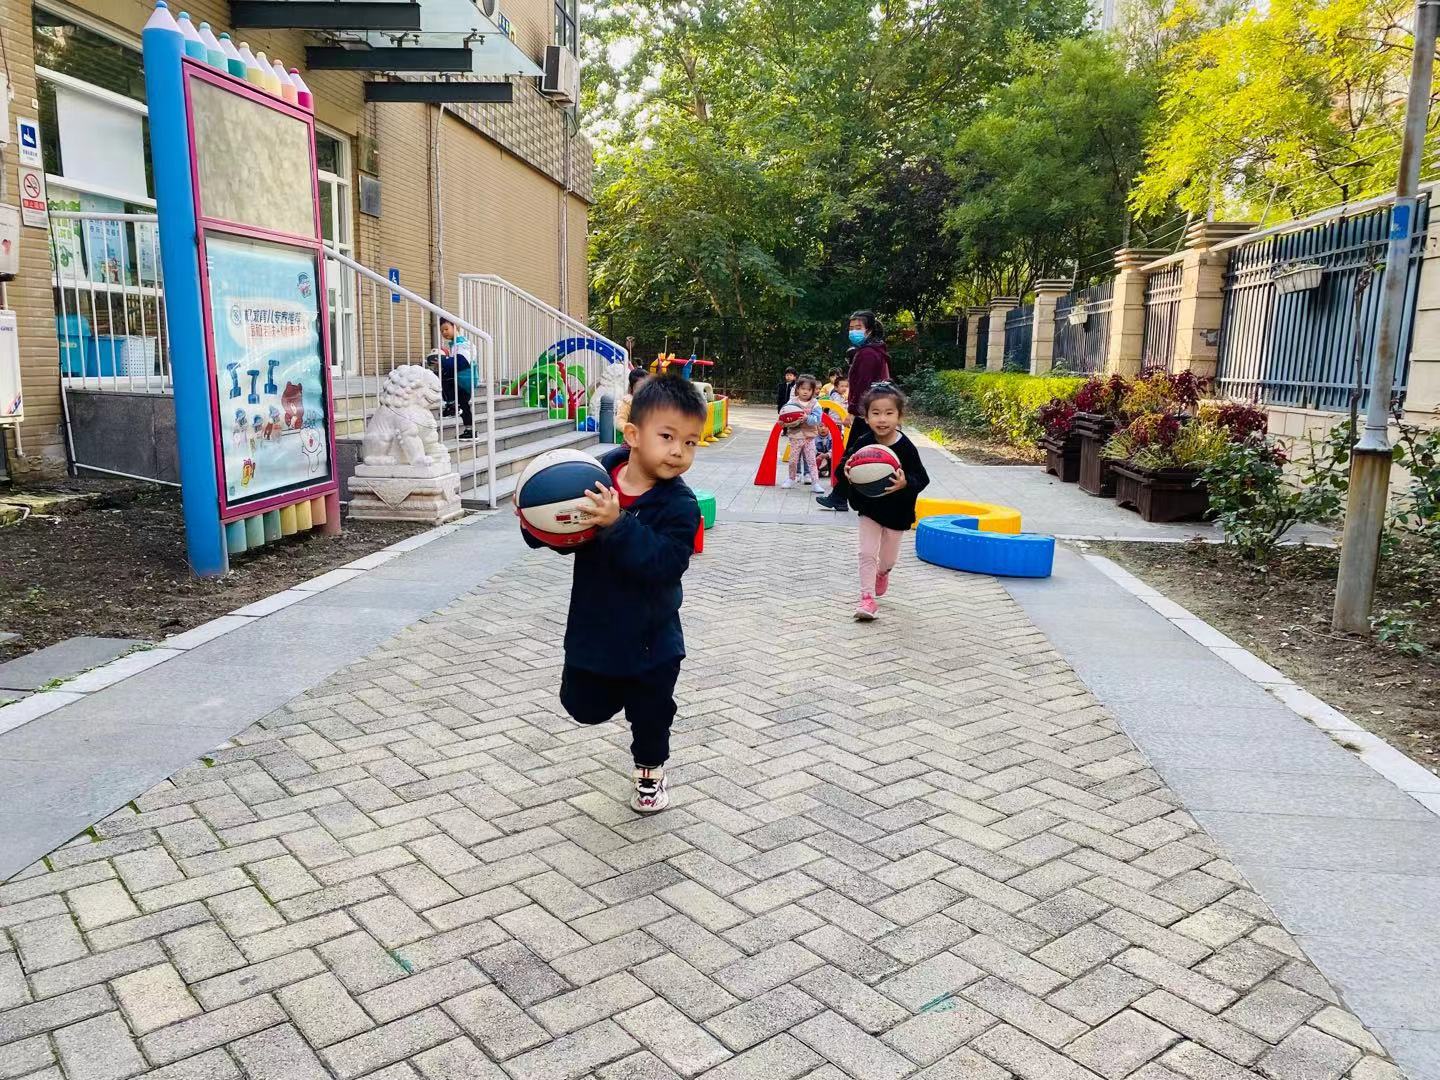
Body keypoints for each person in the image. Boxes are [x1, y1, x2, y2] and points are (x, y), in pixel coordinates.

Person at [519, 374, 706, 813]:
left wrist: (618, 523)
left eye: (690, 442)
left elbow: (665, 564)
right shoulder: (593, 480)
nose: (678, 451)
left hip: (652, 640)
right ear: (633, 435)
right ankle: (617, 689)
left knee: (651, 713)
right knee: (582, 707)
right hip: (595, 628)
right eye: (667, 437)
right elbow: (565, 534)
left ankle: (650, 772)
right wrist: (533, 521)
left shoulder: (680, 505)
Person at [847, 382, 929, 622]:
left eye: (889, 413)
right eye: (876, 413)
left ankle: (882, 573)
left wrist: (906, 483)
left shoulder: (906, 446)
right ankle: (867, 598)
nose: (882, 419)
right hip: (869, 508)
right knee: (866, 552)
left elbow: (922, 477)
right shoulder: (863, 442)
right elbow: (845, 462)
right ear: (866, 417)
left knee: (888, 559)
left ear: (899, 416)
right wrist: (846, 469)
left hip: (896, 512)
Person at [817, 311, 890, 512]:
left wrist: (852, 410)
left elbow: (862, 385)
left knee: (854, 457)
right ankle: (840, 497)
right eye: (851, 328)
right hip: (873, 412)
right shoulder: (875, 350)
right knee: (857, 456)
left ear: (870, 329)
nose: (853, 332)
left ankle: (846, 498)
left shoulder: (867, 354)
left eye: (858, 328)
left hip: (866, 414)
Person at [427, 318, 474, 439]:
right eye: (442, 331)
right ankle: (470, 431)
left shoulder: (463, 344)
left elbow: (462, 362)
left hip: (464, 379)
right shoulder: (454, 345)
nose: (444, 332)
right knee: (464, 405)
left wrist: (444, 361)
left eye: (446, 329)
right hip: (462, 378)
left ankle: (451, 405)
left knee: (444, 377)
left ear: (455, 327)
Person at [782, 374, 826, 493]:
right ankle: (791, 478)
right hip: (795, 436)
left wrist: (807, 418)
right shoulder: (792, 402)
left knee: (811, 460)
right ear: (797, 389)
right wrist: (783, 422)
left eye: (809, 389)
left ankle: (815, 483)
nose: (805, 392)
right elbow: (784, 414)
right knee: (793, 460)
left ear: (813, 391)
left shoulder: (815, 404)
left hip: (809, 437)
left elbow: (817, 420)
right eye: (803, 389)